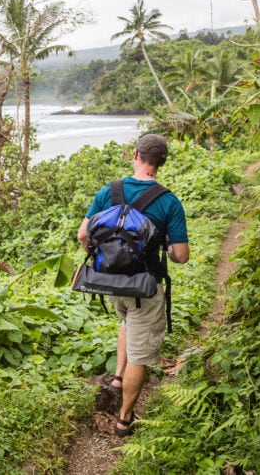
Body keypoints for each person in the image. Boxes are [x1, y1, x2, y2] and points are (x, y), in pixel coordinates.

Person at [77, 133, 189, 437]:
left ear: (135, 156)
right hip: (145, 286)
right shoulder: (168, 201)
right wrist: (162, 243)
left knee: (127, 321)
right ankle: (124, 420)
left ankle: (116, 377)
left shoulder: (108, 191)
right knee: (141, 354)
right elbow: (181, 257)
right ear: (162, 162)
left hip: (110, 284)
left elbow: (82, 235)